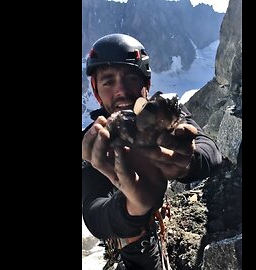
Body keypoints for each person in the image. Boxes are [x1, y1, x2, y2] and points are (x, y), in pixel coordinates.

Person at [82, 33, 222, 270]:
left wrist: (188, 160)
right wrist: (131, 209)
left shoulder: (163, 115)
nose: (121, 91)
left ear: (145, 85)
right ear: (97, 92)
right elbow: (93, 210)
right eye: (108, 82)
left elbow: (211, 151)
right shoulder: (96, 140)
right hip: (131, 246)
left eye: (130, 78)